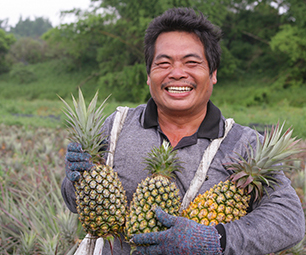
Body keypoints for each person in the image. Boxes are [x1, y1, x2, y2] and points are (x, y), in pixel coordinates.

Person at [61, 7, 305, 255]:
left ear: (213, 73)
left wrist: (215, 240)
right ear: (149, 75)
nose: (177, 73)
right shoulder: (116, 126)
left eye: (191, 62)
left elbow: (290, 220)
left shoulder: (245, 143)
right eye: (164, 63)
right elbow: (74, 202)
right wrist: (77, 181)